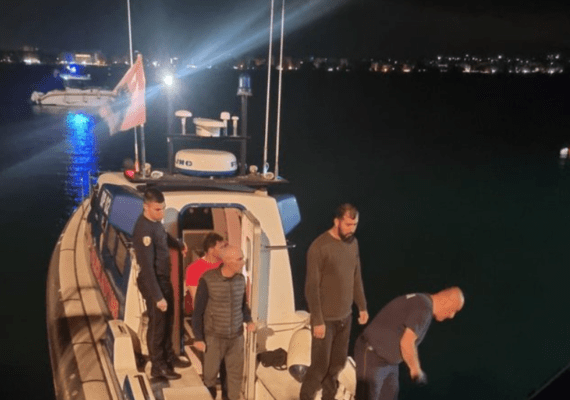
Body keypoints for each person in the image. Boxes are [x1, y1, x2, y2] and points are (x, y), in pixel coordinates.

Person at [300, 203, 369, 400]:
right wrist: (318, 320)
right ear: (337, 221)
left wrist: (362, 306)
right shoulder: (319, 247)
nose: (351, 229)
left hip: (345, 317)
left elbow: (356, 276)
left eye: (355, 225)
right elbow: (311, 287)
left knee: (337, 365)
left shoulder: (353, 243)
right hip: (326, 320)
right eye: (348, 225)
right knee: (319, 367)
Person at [354, 287, 465, 400]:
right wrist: (416, 371)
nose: (452, 316)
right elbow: (407, 343)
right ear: (447, 301)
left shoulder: (423, 302)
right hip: (373, 354)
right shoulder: (424, 307)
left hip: (389, 363)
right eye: (454, 310)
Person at [132, 187, 191, 380]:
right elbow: (147, 268)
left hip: (163, 280)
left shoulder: (155, 223)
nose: (162, 213)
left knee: (168, 321)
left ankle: (169, 357)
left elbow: (163, 235)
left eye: (163, 208)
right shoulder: (143, 231)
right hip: (153, 282)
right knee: (157, 326)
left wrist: (178, 244)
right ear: (146, 207)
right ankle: (158, 367)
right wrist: (158, 297)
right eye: (158, 209)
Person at [192, 245, 256, 400]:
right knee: (210, 377)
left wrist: (249, 320)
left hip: (236, 338)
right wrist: (198, 338)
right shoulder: (208, 280)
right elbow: (198, 311)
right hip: (214, 337)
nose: (243, 262)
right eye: (239, 259)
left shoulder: (240, 280)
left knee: (234, 378)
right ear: (227, 261)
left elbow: (242, 306)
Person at [185, 232, 226, 302]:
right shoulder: (193, 269)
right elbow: (196, 299)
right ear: (211, 250)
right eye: (221, 247)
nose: (225, 250)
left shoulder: (226, 264)